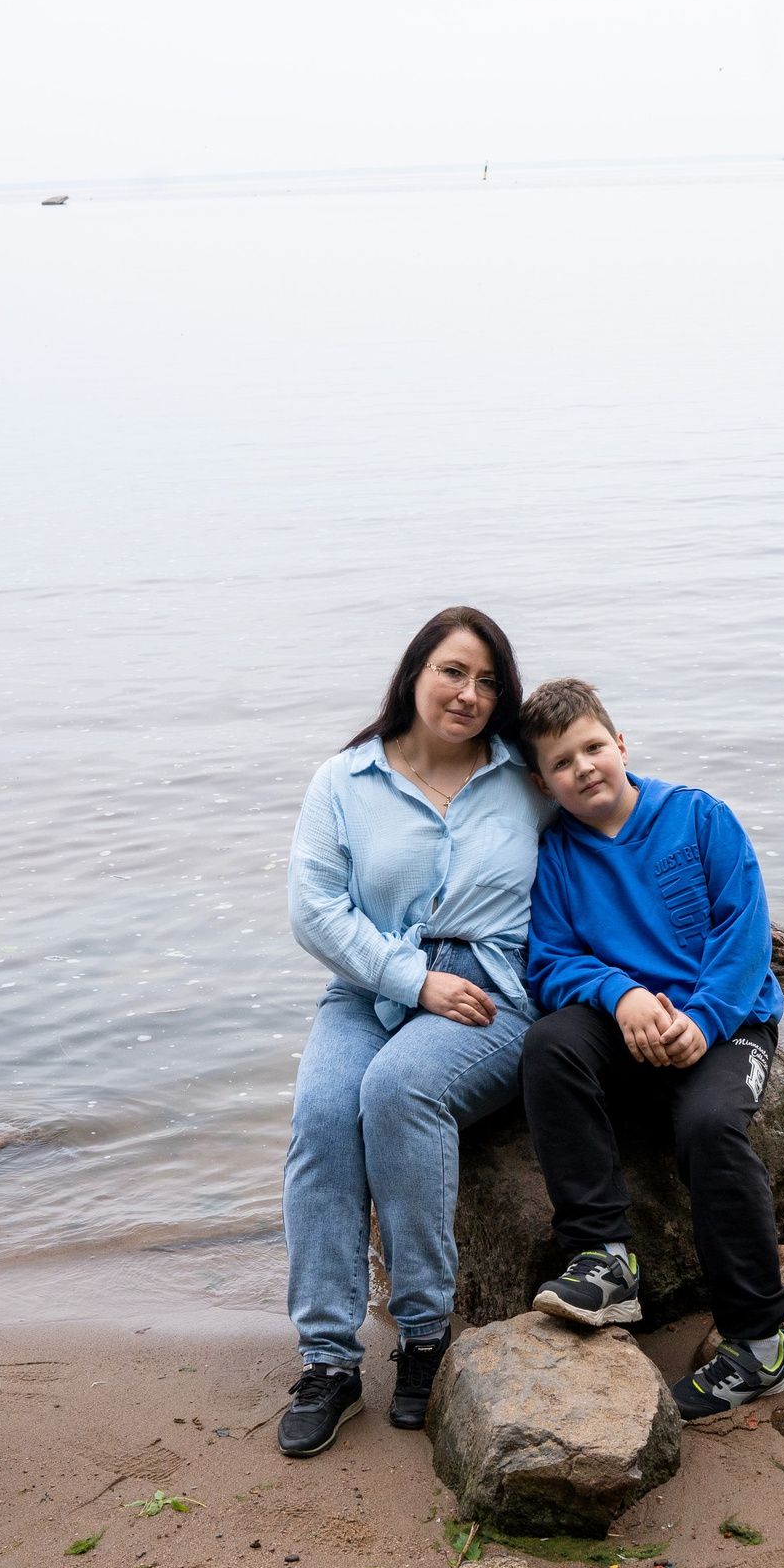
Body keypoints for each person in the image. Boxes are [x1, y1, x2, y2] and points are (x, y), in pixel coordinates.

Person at [279, 607, 552, 1457]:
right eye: (452, 671)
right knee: (325, 1112)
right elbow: (314, 910)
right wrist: (410, 980)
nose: (469, 693)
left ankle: (424, 1337)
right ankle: (327, 1360)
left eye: (487, 680)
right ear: (414, 675)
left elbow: (611, 807)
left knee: (398, 1090)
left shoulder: (526, 777)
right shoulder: (345, 781)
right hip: (371, 985)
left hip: (491, 991)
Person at [514, 677, 784, 1419]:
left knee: (708, 1124)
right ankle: (605, 1258)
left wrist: (701, 1020)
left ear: (621, 744)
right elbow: (550, 962)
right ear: (544, 783)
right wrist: (623, 995)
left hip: (727, 1022)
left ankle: (758, 1341)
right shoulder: (560, 855)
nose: (585, 767)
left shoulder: (697, 817)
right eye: (564, 762)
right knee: (549, 1046)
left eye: (594, 747)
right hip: (627, 1023)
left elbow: (745, 933)